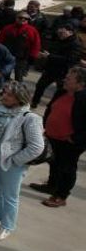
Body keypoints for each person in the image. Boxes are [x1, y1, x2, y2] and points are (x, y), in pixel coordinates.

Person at [0, 82, 44, 241]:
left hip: (12, 163)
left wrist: (15, 160)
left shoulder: (29, 118)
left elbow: (37, 146)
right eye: (4, 92)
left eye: (9, 95)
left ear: (19, 99)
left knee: (10, 196)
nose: (4, 96)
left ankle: (7, 226)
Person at [30, 67, 86, 208]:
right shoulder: (61, 92)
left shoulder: (83, 99)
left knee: (67, 168)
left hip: (70, 142)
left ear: (81, 84)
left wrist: (75, 138)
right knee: (53, 163)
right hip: (52, 136)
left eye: (69, 78)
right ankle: (51, 185)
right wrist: (45, 126)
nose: (65, 79)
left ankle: (61, 196)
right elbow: (50, 109)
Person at [31, 23, 81, 109]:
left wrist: (50, 56)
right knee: (40, 86)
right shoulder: (59, 40)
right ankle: (34, 102)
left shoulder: (75, 44)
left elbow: (69, 59)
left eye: (62, 33)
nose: (60, 35)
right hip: (50, 69)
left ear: (70, 32)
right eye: (59, 33)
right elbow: (51, 51)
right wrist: (44, 56)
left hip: (63, 72)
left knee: (60, 91)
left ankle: (52, 106)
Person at [0, 11, 41, 82]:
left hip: (22, 57)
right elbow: (0, 41)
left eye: (26, 18)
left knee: (19, 77)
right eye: (20, 17)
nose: (23, 19)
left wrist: (33, 56)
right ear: (16, 18)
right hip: (7, 56)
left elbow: (36, 44)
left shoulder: (32, 30)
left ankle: (17, 92)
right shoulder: (8, 28)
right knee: (5, 75)